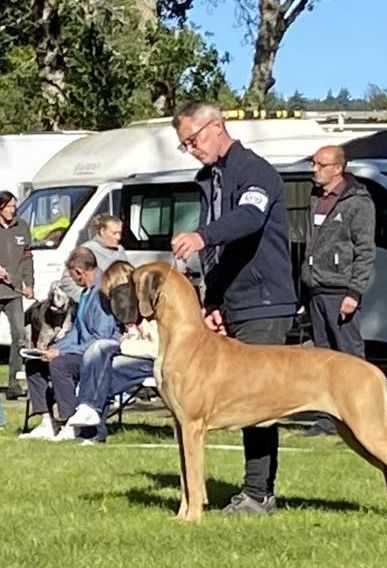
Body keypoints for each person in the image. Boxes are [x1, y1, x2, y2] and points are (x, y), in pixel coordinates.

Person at [171, 100, 296, 516]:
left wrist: (202, 235)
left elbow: (249, 219)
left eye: (192, 139)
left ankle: (258, 494)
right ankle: (238, 492)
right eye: (184, 144)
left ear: (216, 125)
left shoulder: (254, 171)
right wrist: (213, 299)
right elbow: (226, 256)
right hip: (235, 301)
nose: (190, 148)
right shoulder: (210, 179)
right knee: (243, 402)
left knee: (260, 402)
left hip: (266, 301)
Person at [300, 145, 375, 436]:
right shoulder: (314, 198)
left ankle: (361, 413)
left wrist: (354, 292)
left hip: (340, 289)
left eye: (320, 165)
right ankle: (325, 417)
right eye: (314, 163)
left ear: (337, 168)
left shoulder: (357, 202)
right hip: (316, 288)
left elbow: (365, 251)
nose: (314, 169)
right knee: (322, 356)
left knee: (349, 355)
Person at [20, 246, 118, 441]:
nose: (71, 279)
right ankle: (47, 421)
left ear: (80, 271)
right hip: (81, 349)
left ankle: (71, 422)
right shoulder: (85, 293)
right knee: (35, 363)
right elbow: (77, 331)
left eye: (72, 274)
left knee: (59, 365)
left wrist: (62, 354)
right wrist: (57, 348)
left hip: (97, 355)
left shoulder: (101, 294)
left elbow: (100, 337)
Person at [63, 261, 158, 444]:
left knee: (105, 366)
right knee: (99, 351)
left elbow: (155, 348)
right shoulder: (124, 312)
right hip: (130, 352)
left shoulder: (149, 309)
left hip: (151, 359)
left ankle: (91, 423)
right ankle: (89, 414)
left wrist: (125, 346)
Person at [0, 190, 34, 399]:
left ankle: (14, 383)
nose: (14, 210)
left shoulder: (21, 227)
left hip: (13, 293)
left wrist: (29, 283)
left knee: (19, 335)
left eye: (15, 206)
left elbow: (27, 258)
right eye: (10, 206)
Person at [60, 214, 128, 302]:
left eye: (120, 233)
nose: (118, 237)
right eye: (114, 233)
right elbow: (67, 281)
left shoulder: (120, 251)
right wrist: (87, 299)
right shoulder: (86, 250)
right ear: (102, 231)